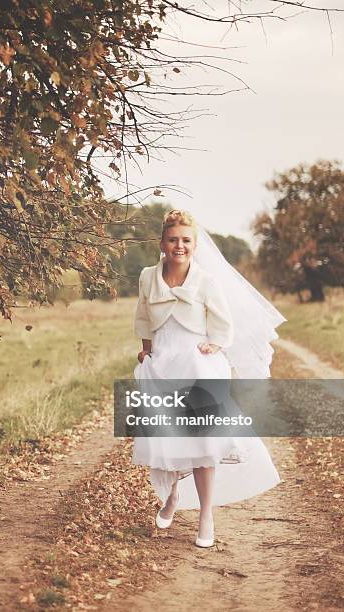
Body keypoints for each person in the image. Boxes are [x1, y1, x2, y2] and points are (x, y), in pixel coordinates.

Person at [132, 209, 283, 548]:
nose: (179, 245)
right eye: (173, 239)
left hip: (198, 367)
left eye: (186, 240)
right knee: (168, 441)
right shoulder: (147, 277)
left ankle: (205, 515)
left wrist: (214, 344)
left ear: (195, 245)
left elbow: (224, 324)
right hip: (162, 366)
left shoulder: (206, 281)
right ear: (162, 243)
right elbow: (143, 318)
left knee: (202, 444)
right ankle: (171, 497)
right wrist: (146, 350)